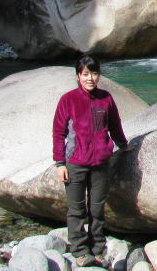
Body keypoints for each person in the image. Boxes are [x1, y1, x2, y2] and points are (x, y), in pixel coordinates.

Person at [53, 55, 131, 268]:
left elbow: (114, 124)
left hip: (100, 163)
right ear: (78, 76)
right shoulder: (68, 100)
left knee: (97, 209)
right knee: (76, 210)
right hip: (75, 163)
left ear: (99, 75)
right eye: (85, 74)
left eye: (94, 73)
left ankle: (97, 249)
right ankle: (79, 251)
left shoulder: (105, 98)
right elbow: (58, 133)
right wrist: (60, 164)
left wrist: (123, 145)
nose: (90, 78)